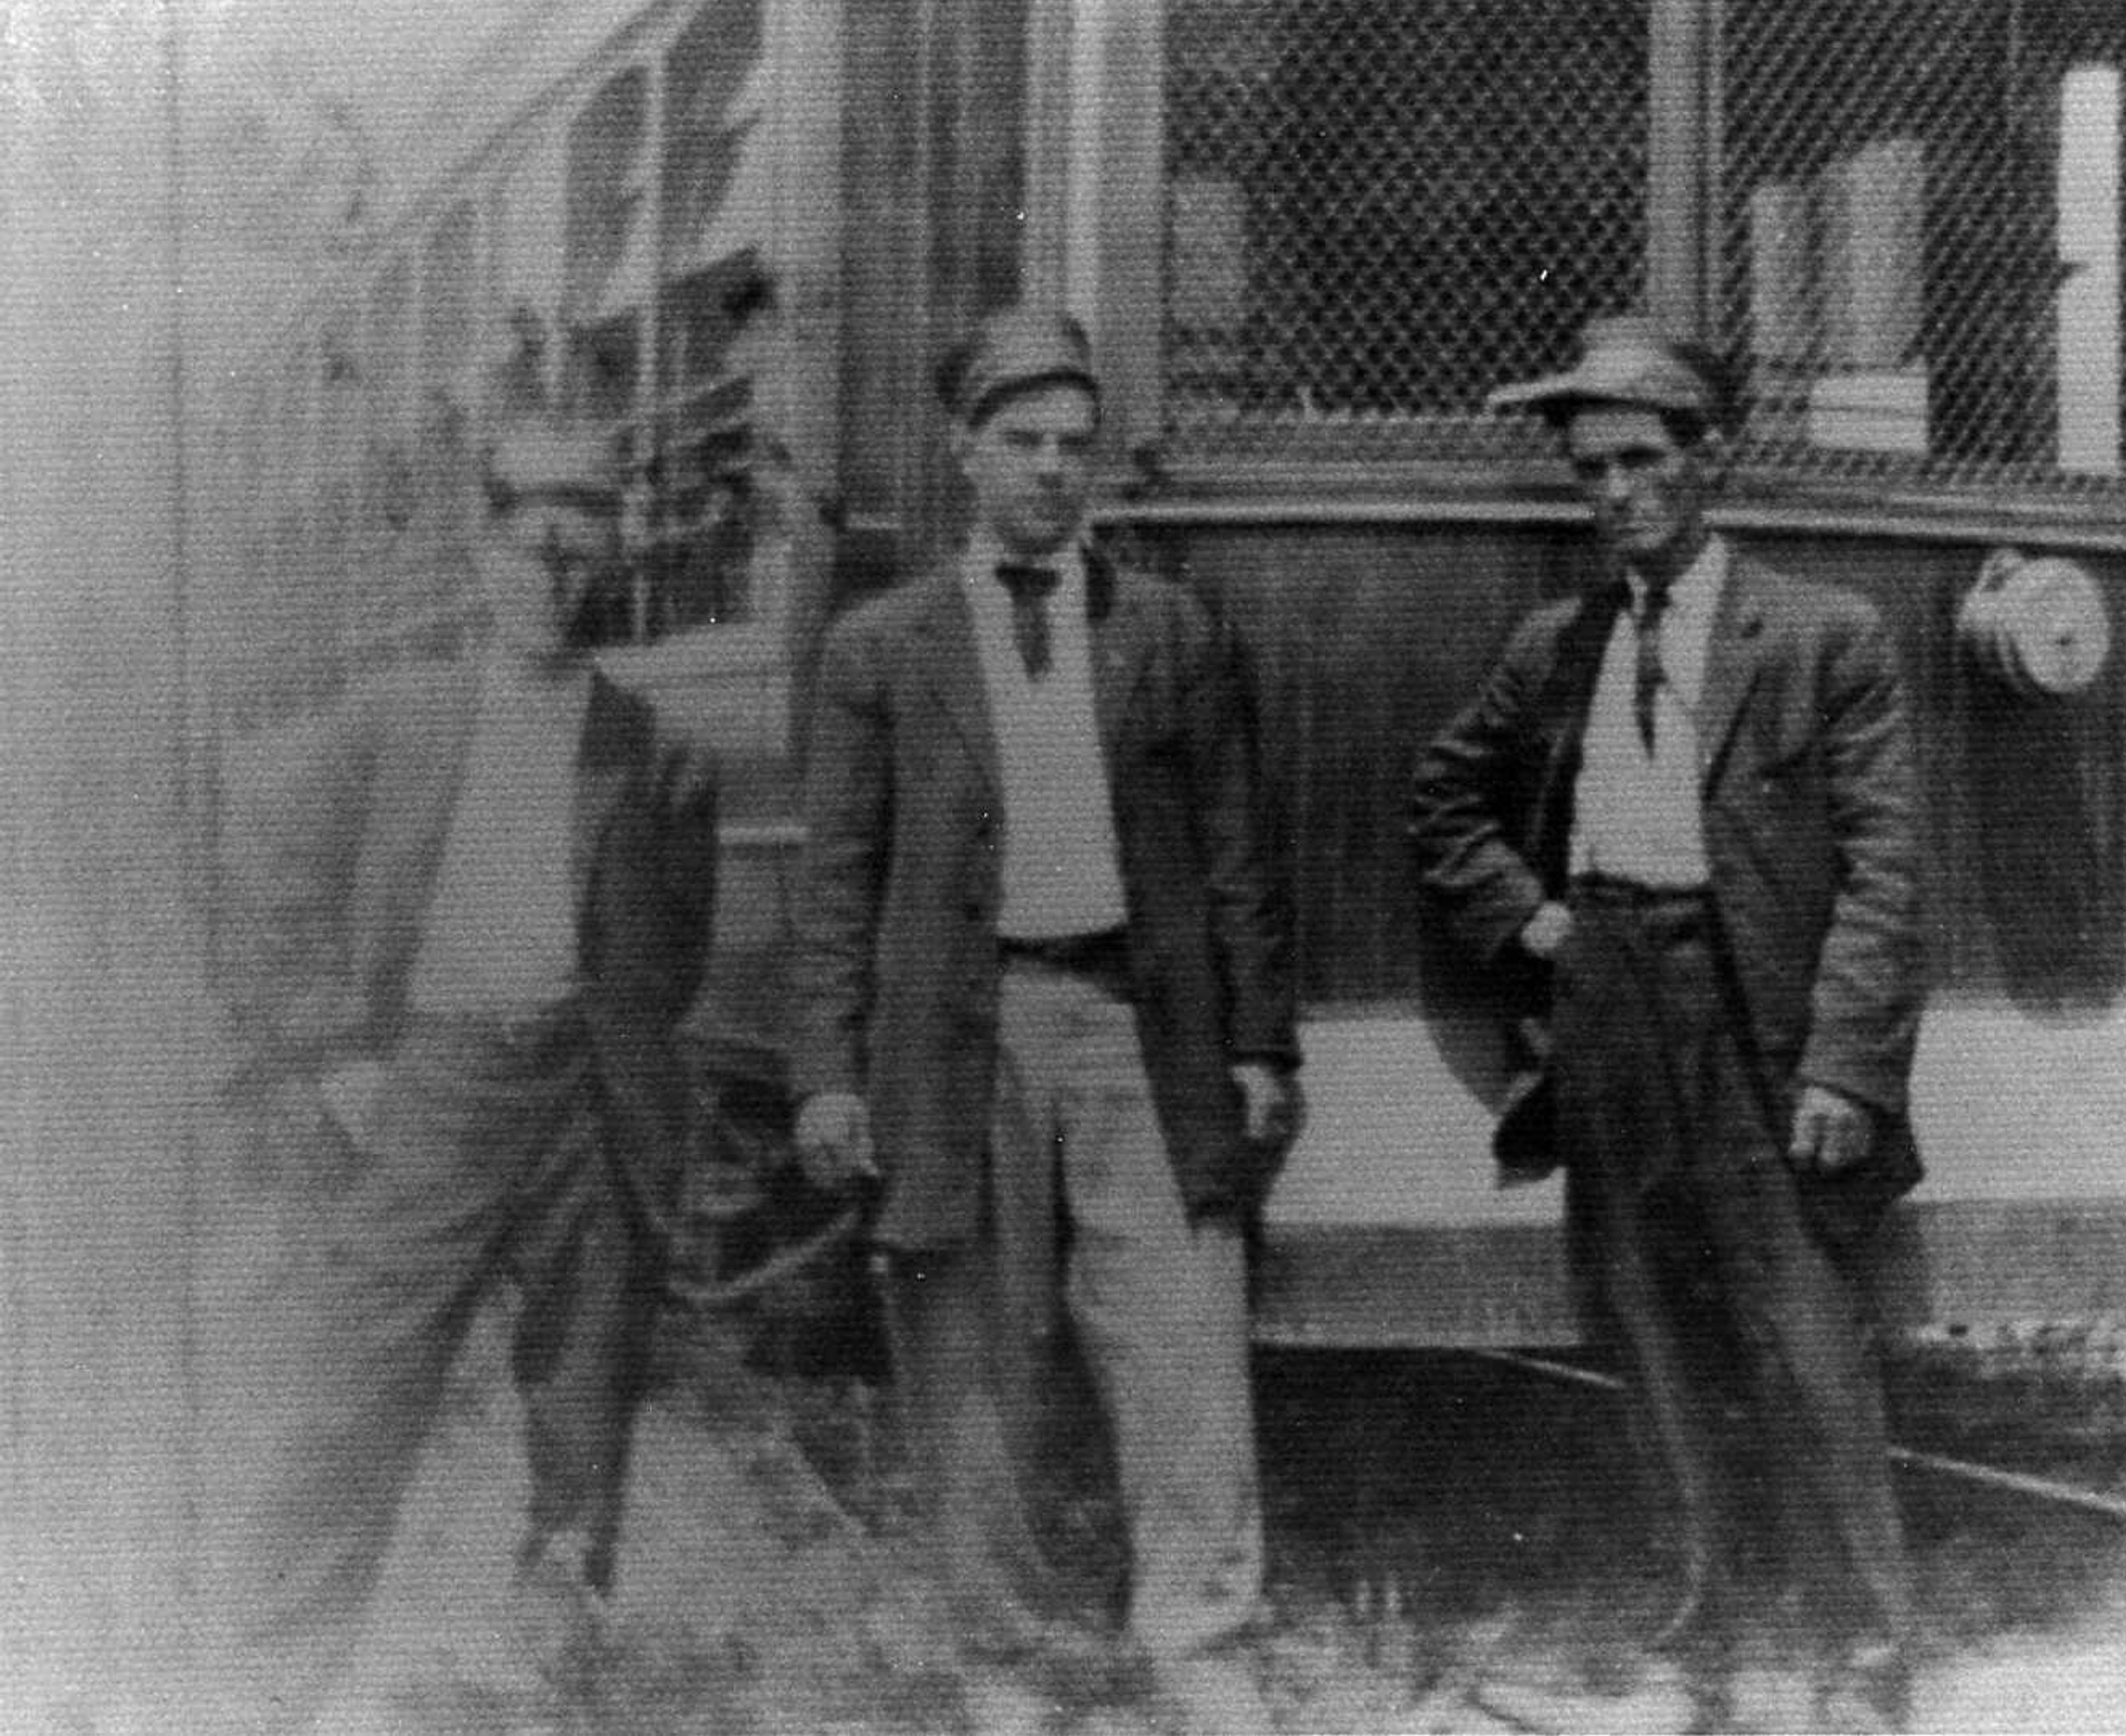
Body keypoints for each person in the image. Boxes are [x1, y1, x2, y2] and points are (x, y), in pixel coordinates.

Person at [787, 307, 1301, 1735]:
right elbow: (838, 883)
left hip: (1140, 1026)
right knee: (969, 1337)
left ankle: (1201, 1638)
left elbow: (1235, 859)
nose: (1054, 471)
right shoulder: (882, 649)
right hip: (964, 1028)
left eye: (1077, 446)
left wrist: (1260, 1043)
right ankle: (1001, 1652)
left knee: (1182, 1332)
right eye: (1023, 442)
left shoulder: (1170, 632)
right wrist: (827, 1076)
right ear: (965, 453)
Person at [1410, 316, 1926, 1730]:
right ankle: (1701, 1614)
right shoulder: (1558, 644)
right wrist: (1538, 921)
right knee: (1644, 1317)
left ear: (1713, 463)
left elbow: (1886, 871)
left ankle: (1864, 1645)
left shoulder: (1824, 637)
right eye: (1591, 472)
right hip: (1608, 1002)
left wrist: (1846, 1065)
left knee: (1804, 1322)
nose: (1617, 495)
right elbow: (1444, 799)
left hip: (1751, 1011)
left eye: (1643, 461)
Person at [214, 417, 719, 1725]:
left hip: (582, 1106)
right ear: (484, 555)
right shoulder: (398, 716)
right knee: (355, 1394)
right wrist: (330, 1049)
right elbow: (274, 881)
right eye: (528, 544)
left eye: (580, 546)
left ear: (608, 560)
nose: (553, 575)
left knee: (584, 1407)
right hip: (427, 1093)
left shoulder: (654, 751)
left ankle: (554, 1682)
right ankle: (267, 1685)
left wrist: (620, 1084)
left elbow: (673, 953)